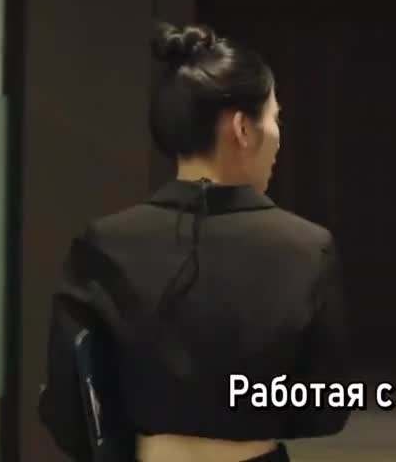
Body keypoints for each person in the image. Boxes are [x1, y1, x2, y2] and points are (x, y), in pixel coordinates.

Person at [38, 23, 351, 462]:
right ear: (242, 128)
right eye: (274, 117)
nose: (278, 135)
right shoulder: (308, 248)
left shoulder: (104, 243)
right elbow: (325, 410)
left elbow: (68, 407)